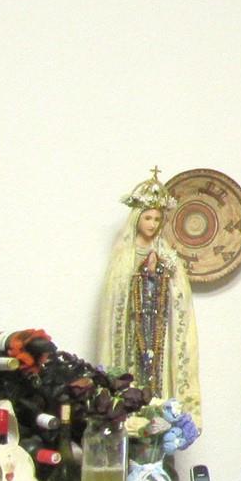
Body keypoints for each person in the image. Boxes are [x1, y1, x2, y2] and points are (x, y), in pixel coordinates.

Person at [98, 168, 202, 420]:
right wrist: (142, 273)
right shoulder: (124, 255)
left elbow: (180, 293)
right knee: (133, 367)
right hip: (132, 324)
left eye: (157, 219)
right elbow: (116, 293)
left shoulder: (165, 253)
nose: (152, 224)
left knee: (156, 371)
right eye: (148, 218)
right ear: (137, 218)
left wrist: (162, 272)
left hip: (158, 326)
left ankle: (158, 410)